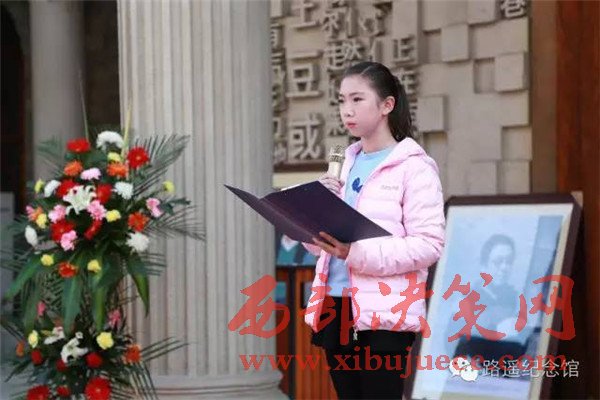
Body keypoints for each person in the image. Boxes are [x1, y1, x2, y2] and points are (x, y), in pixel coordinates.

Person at [302, 61, 446, 399]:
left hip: (386, 312)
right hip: (336, 304)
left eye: (357, 99)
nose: (347, 110)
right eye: (342, 100)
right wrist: (310, 221)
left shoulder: (414, 168)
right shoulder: (343, 163)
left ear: (386, 105)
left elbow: (428, 245)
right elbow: (324, 244)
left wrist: (355, 252)